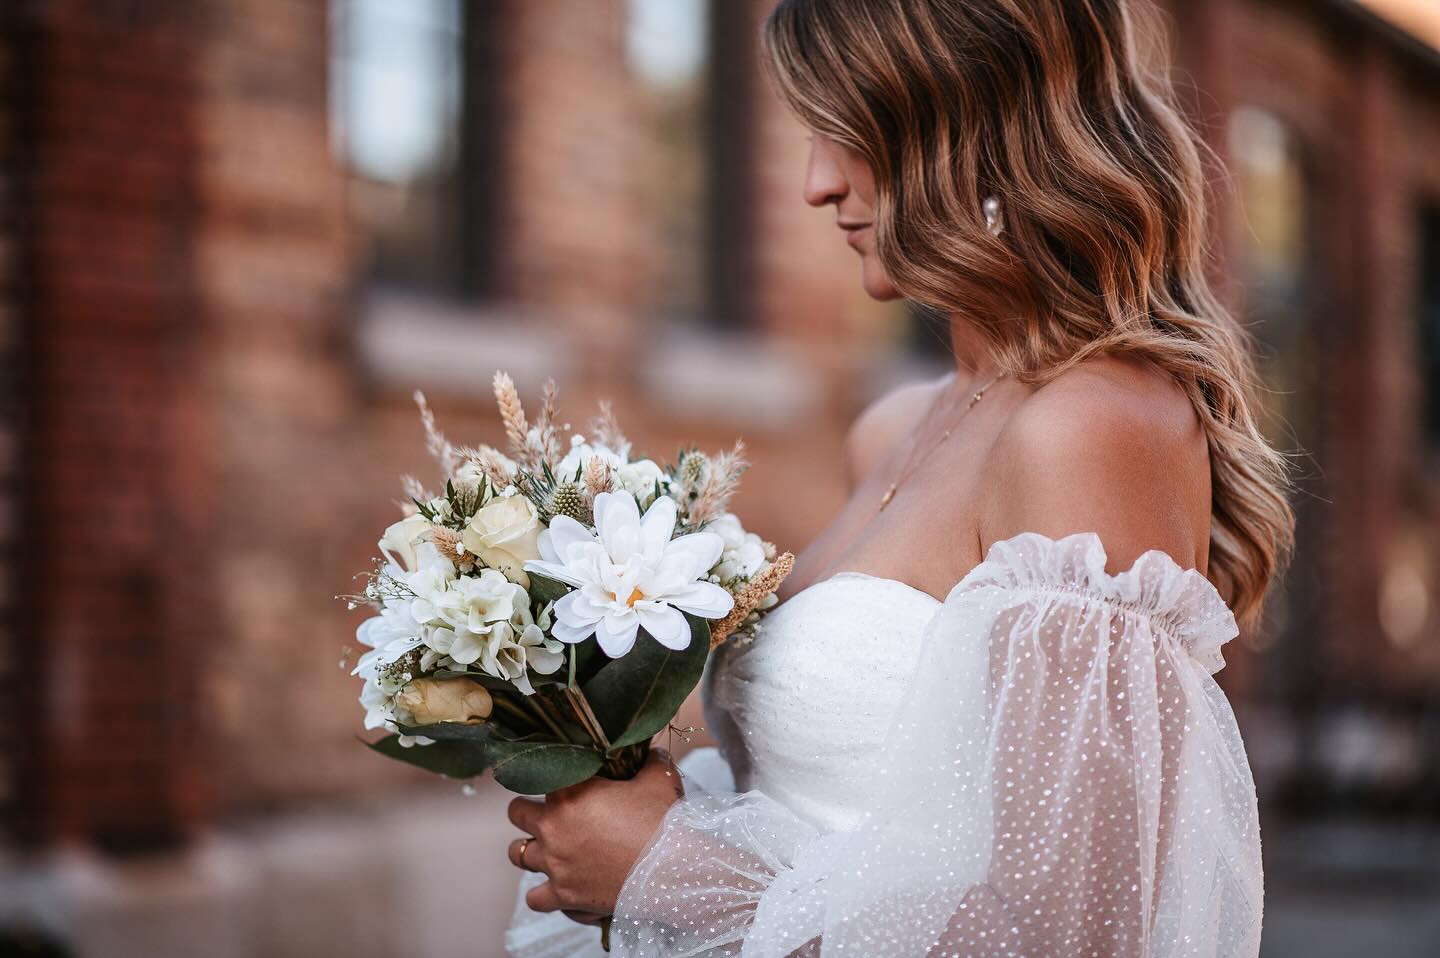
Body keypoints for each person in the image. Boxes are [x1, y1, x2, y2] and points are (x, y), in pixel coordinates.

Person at [504, 0, 1293, 954]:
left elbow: (1069, 933)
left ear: (978, 120)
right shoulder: (889, 427)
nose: (817, 183)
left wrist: (671, 872)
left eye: (850, 129)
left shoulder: (1086, 428)